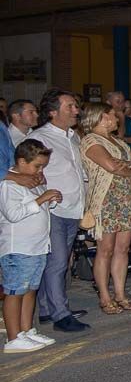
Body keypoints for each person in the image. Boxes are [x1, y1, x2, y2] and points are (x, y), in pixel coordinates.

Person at [28, 90, 89, 333]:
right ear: (53, 112)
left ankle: (46, 308)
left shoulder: (73, 136)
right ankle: (60, 314)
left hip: (73, 208)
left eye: (76, 106)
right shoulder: (40, 138)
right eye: (70, 106)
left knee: (56, 262)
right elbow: (30, 172)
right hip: (53, 209)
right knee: (57, 263)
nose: (76, 110)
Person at [79, 102, 131, 314]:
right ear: (103, 117)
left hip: (126, 199)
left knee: (123, 249)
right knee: (105, 250)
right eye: (114, 116)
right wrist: (128, 166)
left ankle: (120, 293)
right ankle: (105, 297)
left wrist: (128, 166)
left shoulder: (117, 141)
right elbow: (111, 166)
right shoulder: (90, 140)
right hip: (106, 200)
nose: (117, 119)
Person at [2, 139, 61, 352]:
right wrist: (40, 200)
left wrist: (50, 199)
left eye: (43, 166)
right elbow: (13, 214)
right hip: (19, 247)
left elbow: (41, 206)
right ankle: (13, 336)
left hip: (37, 246)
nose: (40, 170)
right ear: (21, 161)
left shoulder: (33, 181)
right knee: (15, 291)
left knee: (30, 290)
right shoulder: (9, 184)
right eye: (37, 166)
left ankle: (26, 330)